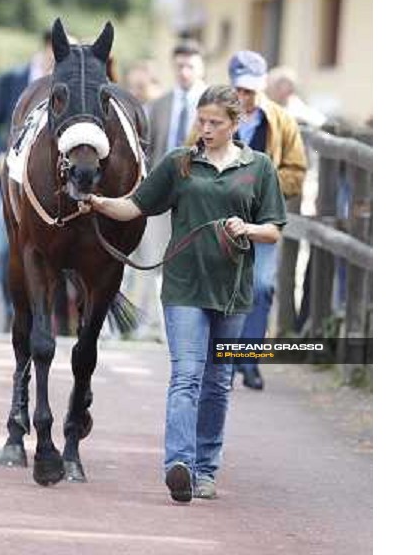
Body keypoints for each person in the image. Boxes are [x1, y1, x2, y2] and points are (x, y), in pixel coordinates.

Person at [81, 85, 286, 502]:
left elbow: (274, 230)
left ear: (236, 123)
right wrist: (97, 202)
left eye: (216, 123)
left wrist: (245, 229)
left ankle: (207, 468)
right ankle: (180, 465)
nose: (206, 129)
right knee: (187, 376)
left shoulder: (258, 167)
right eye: (202, 120)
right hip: (183, 288)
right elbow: (135, 205)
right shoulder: (180, 164)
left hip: (232, 292)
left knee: (217, 382)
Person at [227, 51, 307, 390]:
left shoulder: (283, 122)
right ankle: (227, 363)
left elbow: (297, 171)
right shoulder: (214, 115)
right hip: (221, 222)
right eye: (239, 90)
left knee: (261, 287)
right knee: (226, 289)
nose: (245, 98)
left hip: (263, 221)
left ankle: (250, 360)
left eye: (251, 90)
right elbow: (191, 156)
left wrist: (265, 182)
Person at [128, 41, 207, 342]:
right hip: (161, 195)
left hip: (198, 196)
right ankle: (150, 326)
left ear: (201, 68)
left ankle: (189, 328)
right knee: (152, 261)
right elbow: (147, 151)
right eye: (180, 66)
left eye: (191, 66)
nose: (185, 72)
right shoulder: (158, 105)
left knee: (192, 263)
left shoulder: (213, 104)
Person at [0, 30, 60, 331]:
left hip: (48, 188)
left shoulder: (66, 86)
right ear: (46, 48)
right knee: (1, 248)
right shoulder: (11, 78)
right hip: (10, 179)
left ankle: (42, 318)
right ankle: (12, 310)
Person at [267, 66, 327, 333]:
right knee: (283, 267)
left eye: (272, 85)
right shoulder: (274, 113)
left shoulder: (305, 118)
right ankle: (282, 326)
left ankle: (286, 328)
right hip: (283, 197)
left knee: (292, 266)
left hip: (300, 197)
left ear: (285, 88)